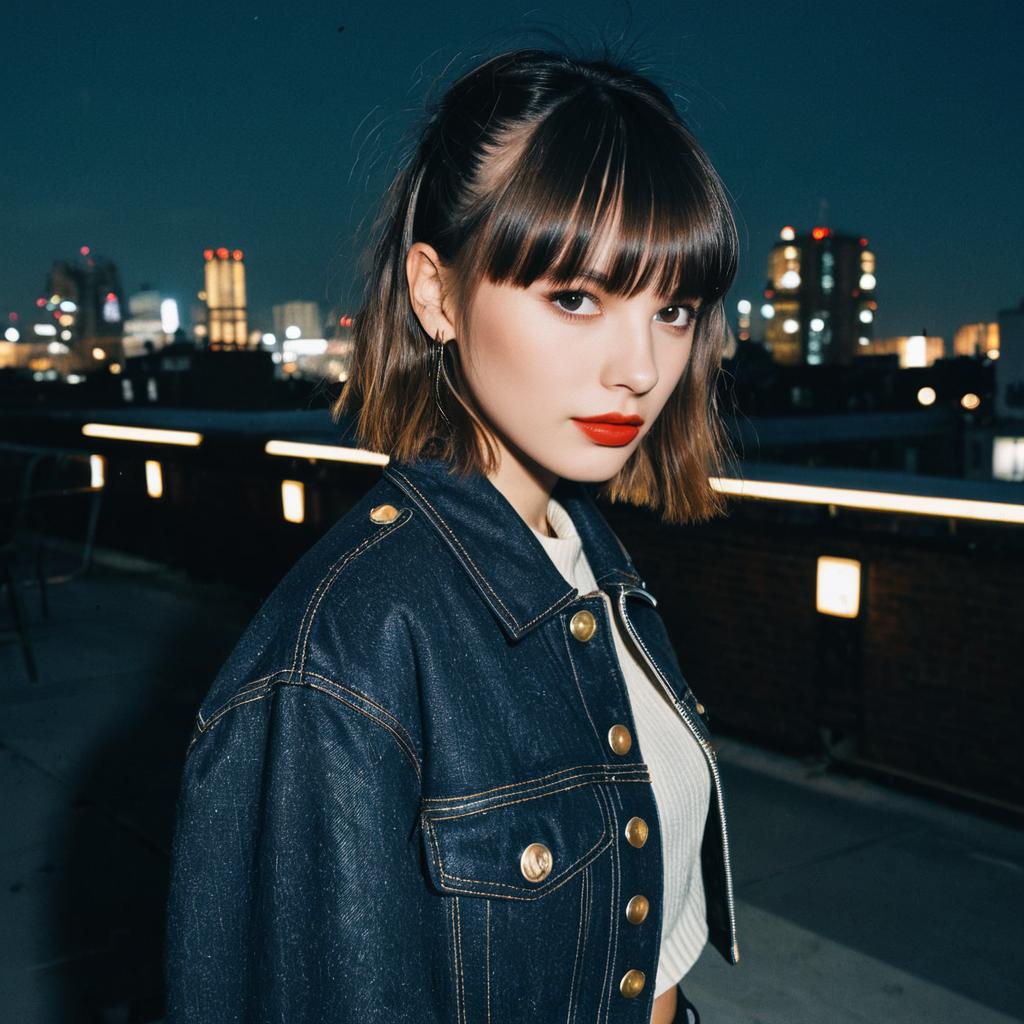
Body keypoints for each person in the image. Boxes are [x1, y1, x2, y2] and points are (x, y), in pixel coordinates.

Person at [164, 46, 741, 1024]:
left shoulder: (592, 563)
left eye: (673, 308)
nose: (640, 367)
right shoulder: (348, 659)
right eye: (575, 296)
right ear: (435, 292)